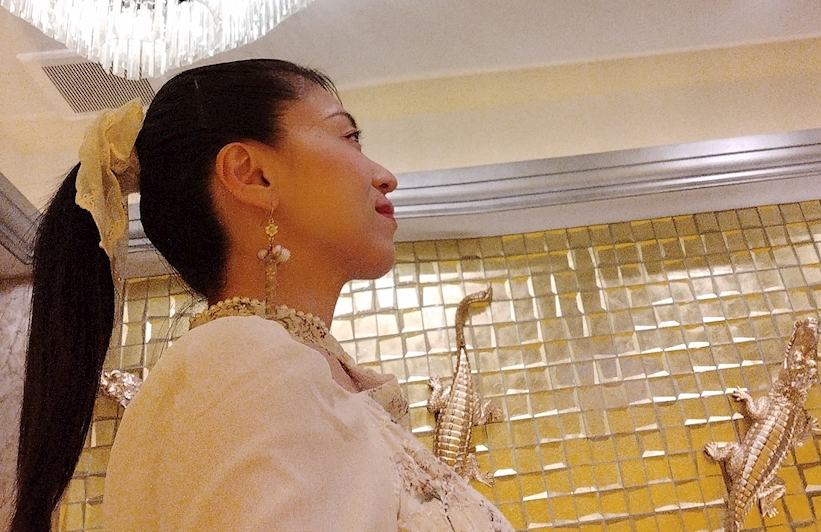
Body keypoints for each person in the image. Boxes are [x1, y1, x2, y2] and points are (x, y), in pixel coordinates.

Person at [13, 59, 514, 532]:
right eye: (349, 137)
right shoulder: (243, 360)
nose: (386, 176)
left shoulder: (269, 366)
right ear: (252, 175)